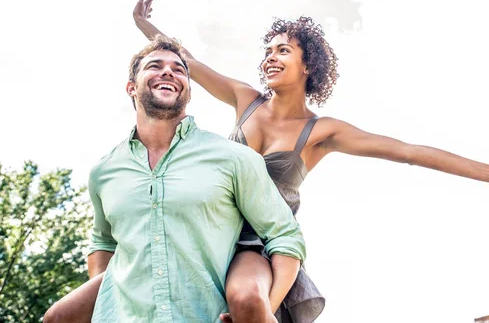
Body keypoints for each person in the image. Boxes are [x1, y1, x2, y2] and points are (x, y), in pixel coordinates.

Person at [45, 0, 489, 323]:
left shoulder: (321, 131)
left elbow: (410, 152)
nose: (270, 56)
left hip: (257, 242)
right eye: (268, 49)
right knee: (62, 316)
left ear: (309, 65)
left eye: (283, 51)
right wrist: (145, 23)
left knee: (246, 301)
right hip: (201, 224)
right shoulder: (245, 99)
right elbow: (187, 63)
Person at [44, 35, 306, 323]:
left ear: (189, 92)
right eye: (154, 66)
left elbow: (285, 237)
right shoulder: (104, 172)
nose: (168, 71)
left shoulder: (234, 158)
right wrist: (111, 303)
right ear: (131, 87)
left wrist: (264, 310)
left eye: (179, 69)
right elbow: (103, 242)